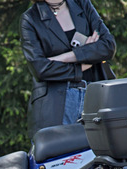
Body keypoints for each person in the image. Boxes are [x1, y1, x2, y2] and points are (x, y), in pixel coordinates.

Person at [20, 0, 116, 138]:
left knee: (98, 149)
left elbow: (108, 46)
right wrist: (82, 64)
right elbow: (40, 69)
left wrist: (66, 57)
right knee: (60, 150)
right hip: (55, 105)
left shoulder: (82, 4)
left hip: (93, 97)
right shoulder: (30, 19)